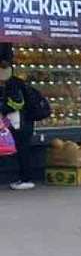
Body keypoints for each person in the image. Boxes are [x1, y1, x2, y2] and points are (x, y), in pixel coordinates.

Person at [0, 44, 35, 191]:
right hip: (19, 122)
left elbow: (17, 103)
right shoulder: (14, 82)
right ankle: (25, 178)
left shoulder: (12, 85)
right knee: (21, 149)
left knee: (21, 149)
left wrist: (1, 108)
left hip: (19, 123)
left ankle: (26, 179)